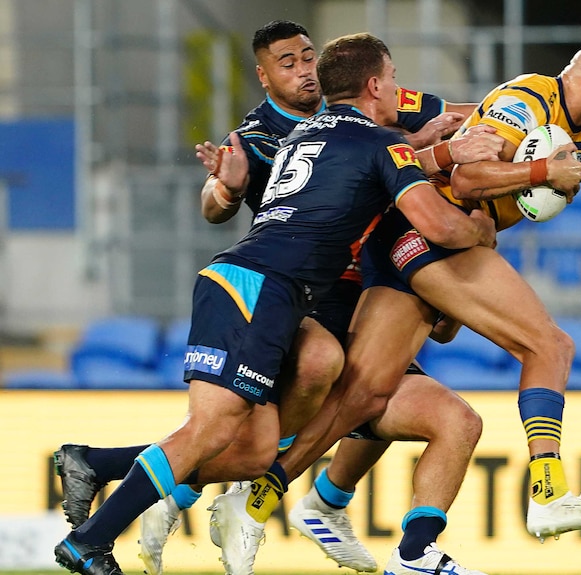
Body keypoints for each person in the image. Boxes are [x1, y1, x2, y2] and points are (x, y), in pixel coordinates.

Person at [233, 36, 581, 558]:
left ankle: (259, 499)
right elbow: (465, 177)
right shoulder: (528, 101)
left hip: (404, 240)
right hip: (431, 230)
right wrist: (542, 172)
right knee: (549, 347)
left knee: (364, 395)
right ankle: (548, 494)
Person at [52, 20, 501, 575]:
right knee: (213, 429)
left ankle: (97, 465)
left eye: (308, 57)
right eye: (287, 62)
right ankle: (92, 539)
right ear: (377, 88)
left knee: (263, 440)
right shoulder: (307, 137)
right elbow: (432, 213)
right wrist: (488, 205)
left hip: (285, 294)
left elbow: (406, 146)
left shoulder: (311, 136)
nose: (302, 68)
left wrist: (450, 141)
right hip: (255, 284)